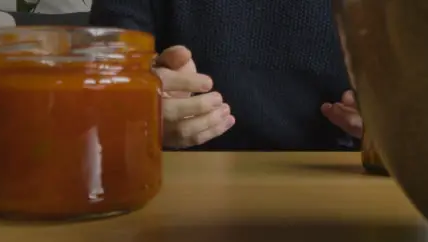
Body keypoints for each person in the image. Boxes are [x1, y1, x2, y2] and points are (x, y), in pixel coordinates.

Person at [89, 0, 363, 151]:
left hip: (349, 188)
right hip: (179, 189)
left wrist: (393, 130)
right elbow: (98, 89)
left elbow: (404, 109)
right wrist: (131, 107)